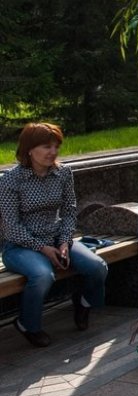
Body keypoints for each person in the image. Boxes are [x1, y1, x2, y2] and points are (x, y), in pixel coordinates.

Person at [0, 123, 108, 347]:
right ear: (29, 149)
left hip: (58, 238)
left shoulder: (63, 173)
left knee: (97, 267)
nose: (53, 152)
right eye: (46, 146)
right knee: (42, 275)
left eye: (56, 146)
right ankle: (28, 324)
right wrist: (42, 248)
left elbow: (69, 211)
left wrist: (65, 243)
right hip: (20, 246)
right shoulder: (10, 180)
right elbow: (11, 226)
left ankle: (84, 302)